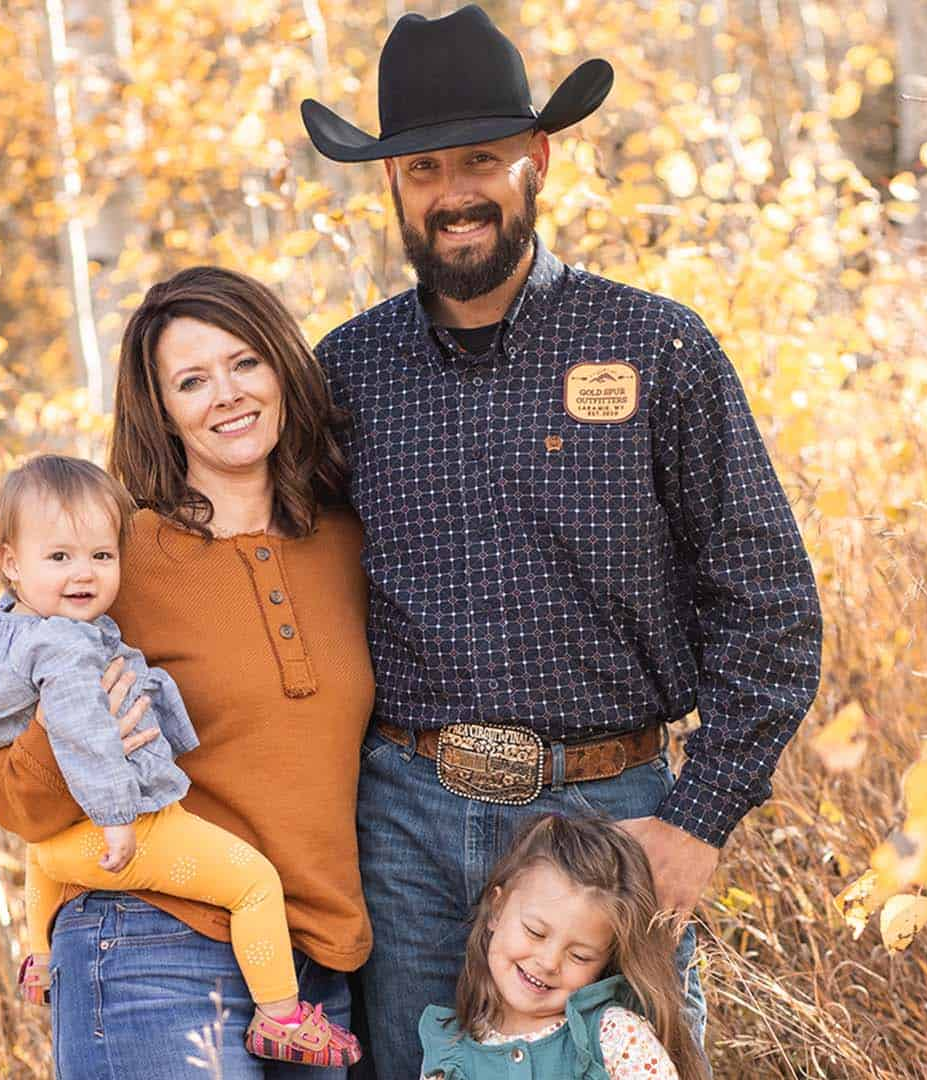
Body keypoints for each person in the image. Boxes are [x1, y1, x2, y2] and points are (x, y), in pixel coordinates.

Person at [301, 6, 823, 1077]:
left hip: (611, 824)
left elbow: (767, 600)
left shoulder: (655, 345)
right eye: (423, 168)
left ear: (535, 160)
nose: (453, 193)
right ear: (391, 185)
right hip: (404, 826)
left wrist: (700, 817)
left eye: (480, 160)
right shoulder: (346, 374)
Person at [0, 268, 376, 1078]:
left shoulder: (350, 542)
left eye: (244, 363)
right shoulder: (113, 563)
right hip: (154, 945)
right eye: (192, 380)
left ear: (284, 368)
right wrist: (71, 720)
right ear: (162, 410)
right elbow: (7, 790)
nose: (226, 394)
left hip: (314, 961)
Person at [0, 453, 361, 1069]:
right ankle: (281, 1016)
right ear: (10, 562)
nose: (84, 573)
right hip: (133, 849)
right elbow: (79, 736)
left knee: (46, 860)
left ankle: (38, 959)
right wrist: (118, 811)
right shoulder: (66, 644)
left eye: (100, 556)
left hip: (69, 855)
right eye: (59, 557)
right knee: (255, 883)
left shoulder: (4, 630)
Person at [418, 813, 706, 1080]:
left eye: (580, 956)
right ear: (497, 908)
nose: (549, 961)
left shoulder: (616, 1037)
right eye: (535, 932)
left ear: (606, 960)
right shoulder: (450, 1051)